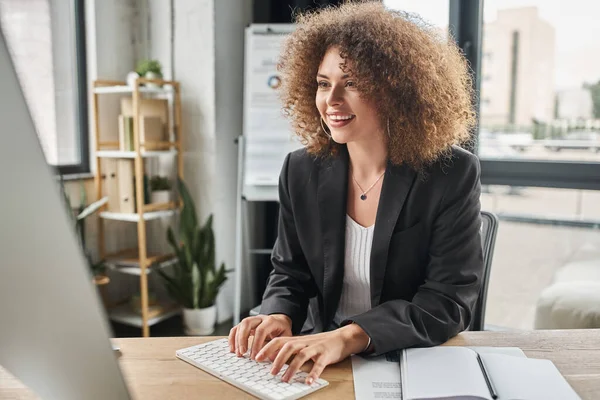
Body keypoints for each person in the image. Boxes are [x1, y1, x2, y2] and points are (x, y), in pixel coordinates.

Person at [228, 0, 483, 385]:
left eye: (353, 84)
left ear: (396, 89)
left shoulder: (450, 173)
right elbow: (289, 272)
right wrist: (279, 313)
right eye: (323, 83)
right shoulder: (300, 170)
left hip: (411, 358)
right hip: (320, 356)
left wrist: (348, 337)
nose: (331, 101)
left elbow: (448, 301)